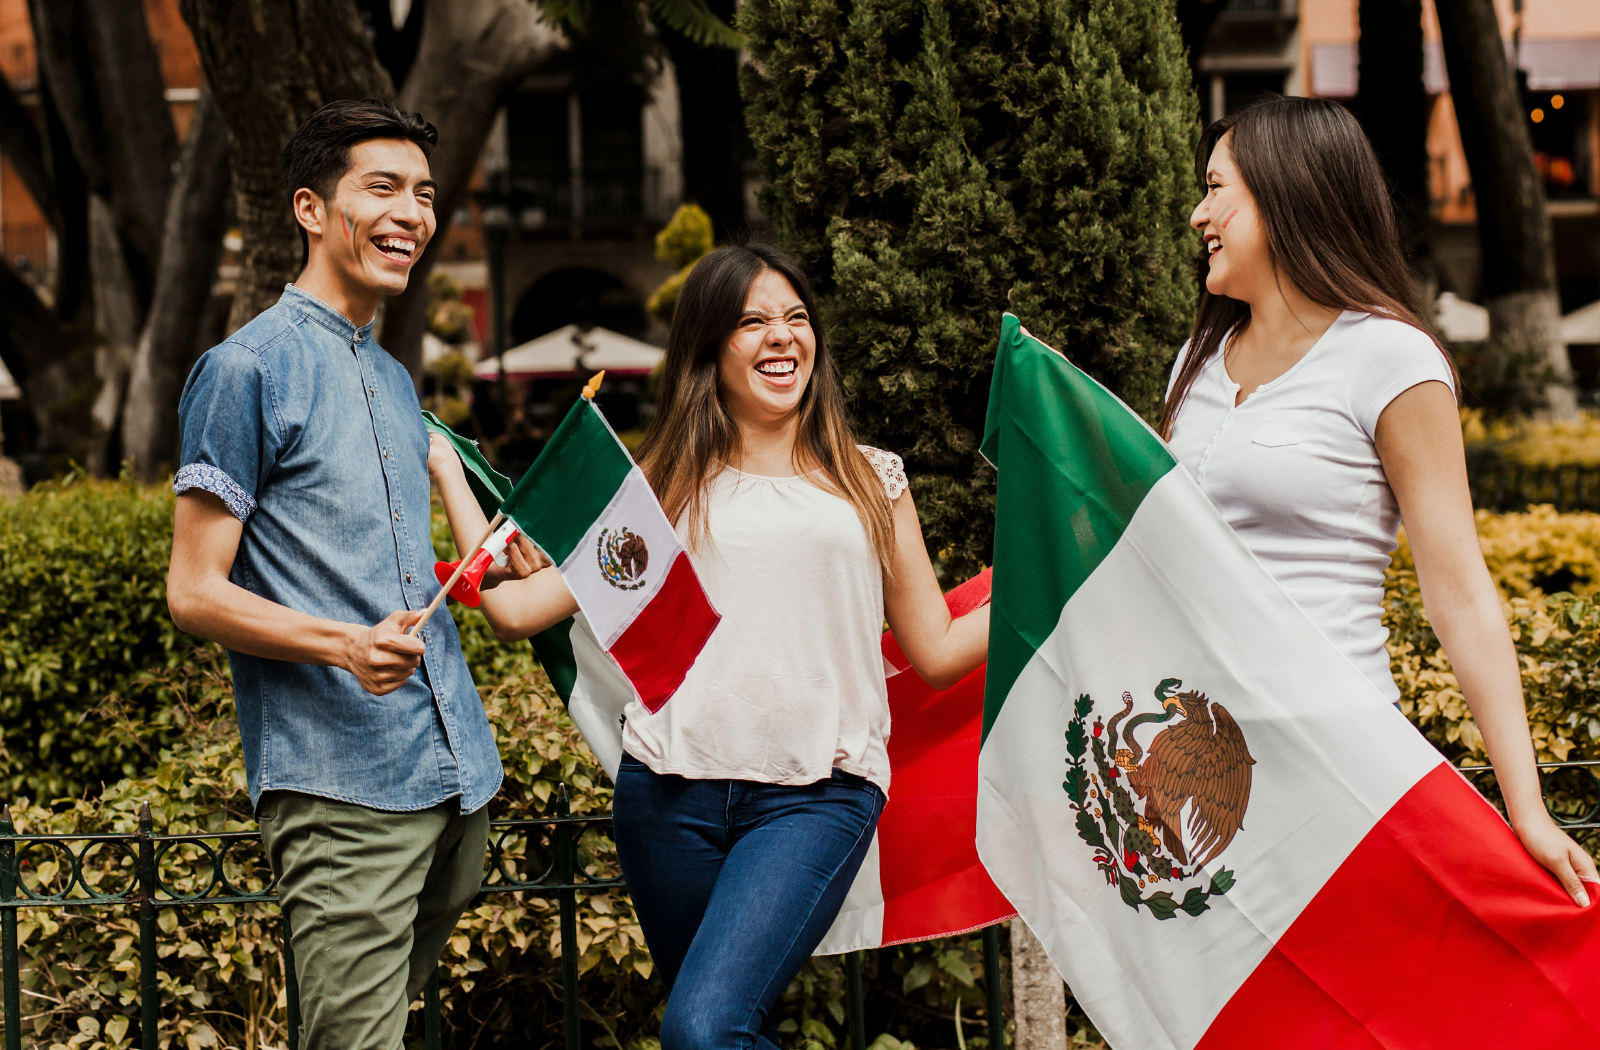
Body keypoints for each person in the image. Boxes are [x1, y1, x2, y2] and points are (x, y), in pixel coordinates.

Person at [428, 242, 991, 1048]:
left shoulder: (872, 480)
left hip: (816, 793)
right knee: (726, 1029)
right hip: (667, 796)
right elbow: (517, 609)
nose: (782, 337)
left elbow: (932, 647)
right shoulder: (662, 487)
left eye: (797, 318)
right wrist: (450, 470)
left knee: (702, 1029)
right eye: (753, 321)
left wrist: (1045, 596)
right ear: (707, 349)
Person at [166, 98, 536, 1049]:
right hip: (343, 790)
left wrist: (485, 552)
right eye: (382, 188)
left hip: (458, 777)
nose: (412, 212)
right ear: (309, 209)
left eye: (422, 193)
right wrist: (342, 644)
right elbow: (194, 589)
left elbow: (384, 558)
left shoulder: (394, 376)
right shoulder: (244, 369)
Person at [1165, 94, 1597, 907]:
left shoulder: (1389, 357)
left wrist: (1527, 808)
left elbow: (1461, 594)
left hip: (1330, 757)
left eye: (1217, 188)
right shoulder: (1197, 360)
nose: (1198, 215)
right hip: (1204, 772)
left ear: (1287, 192)